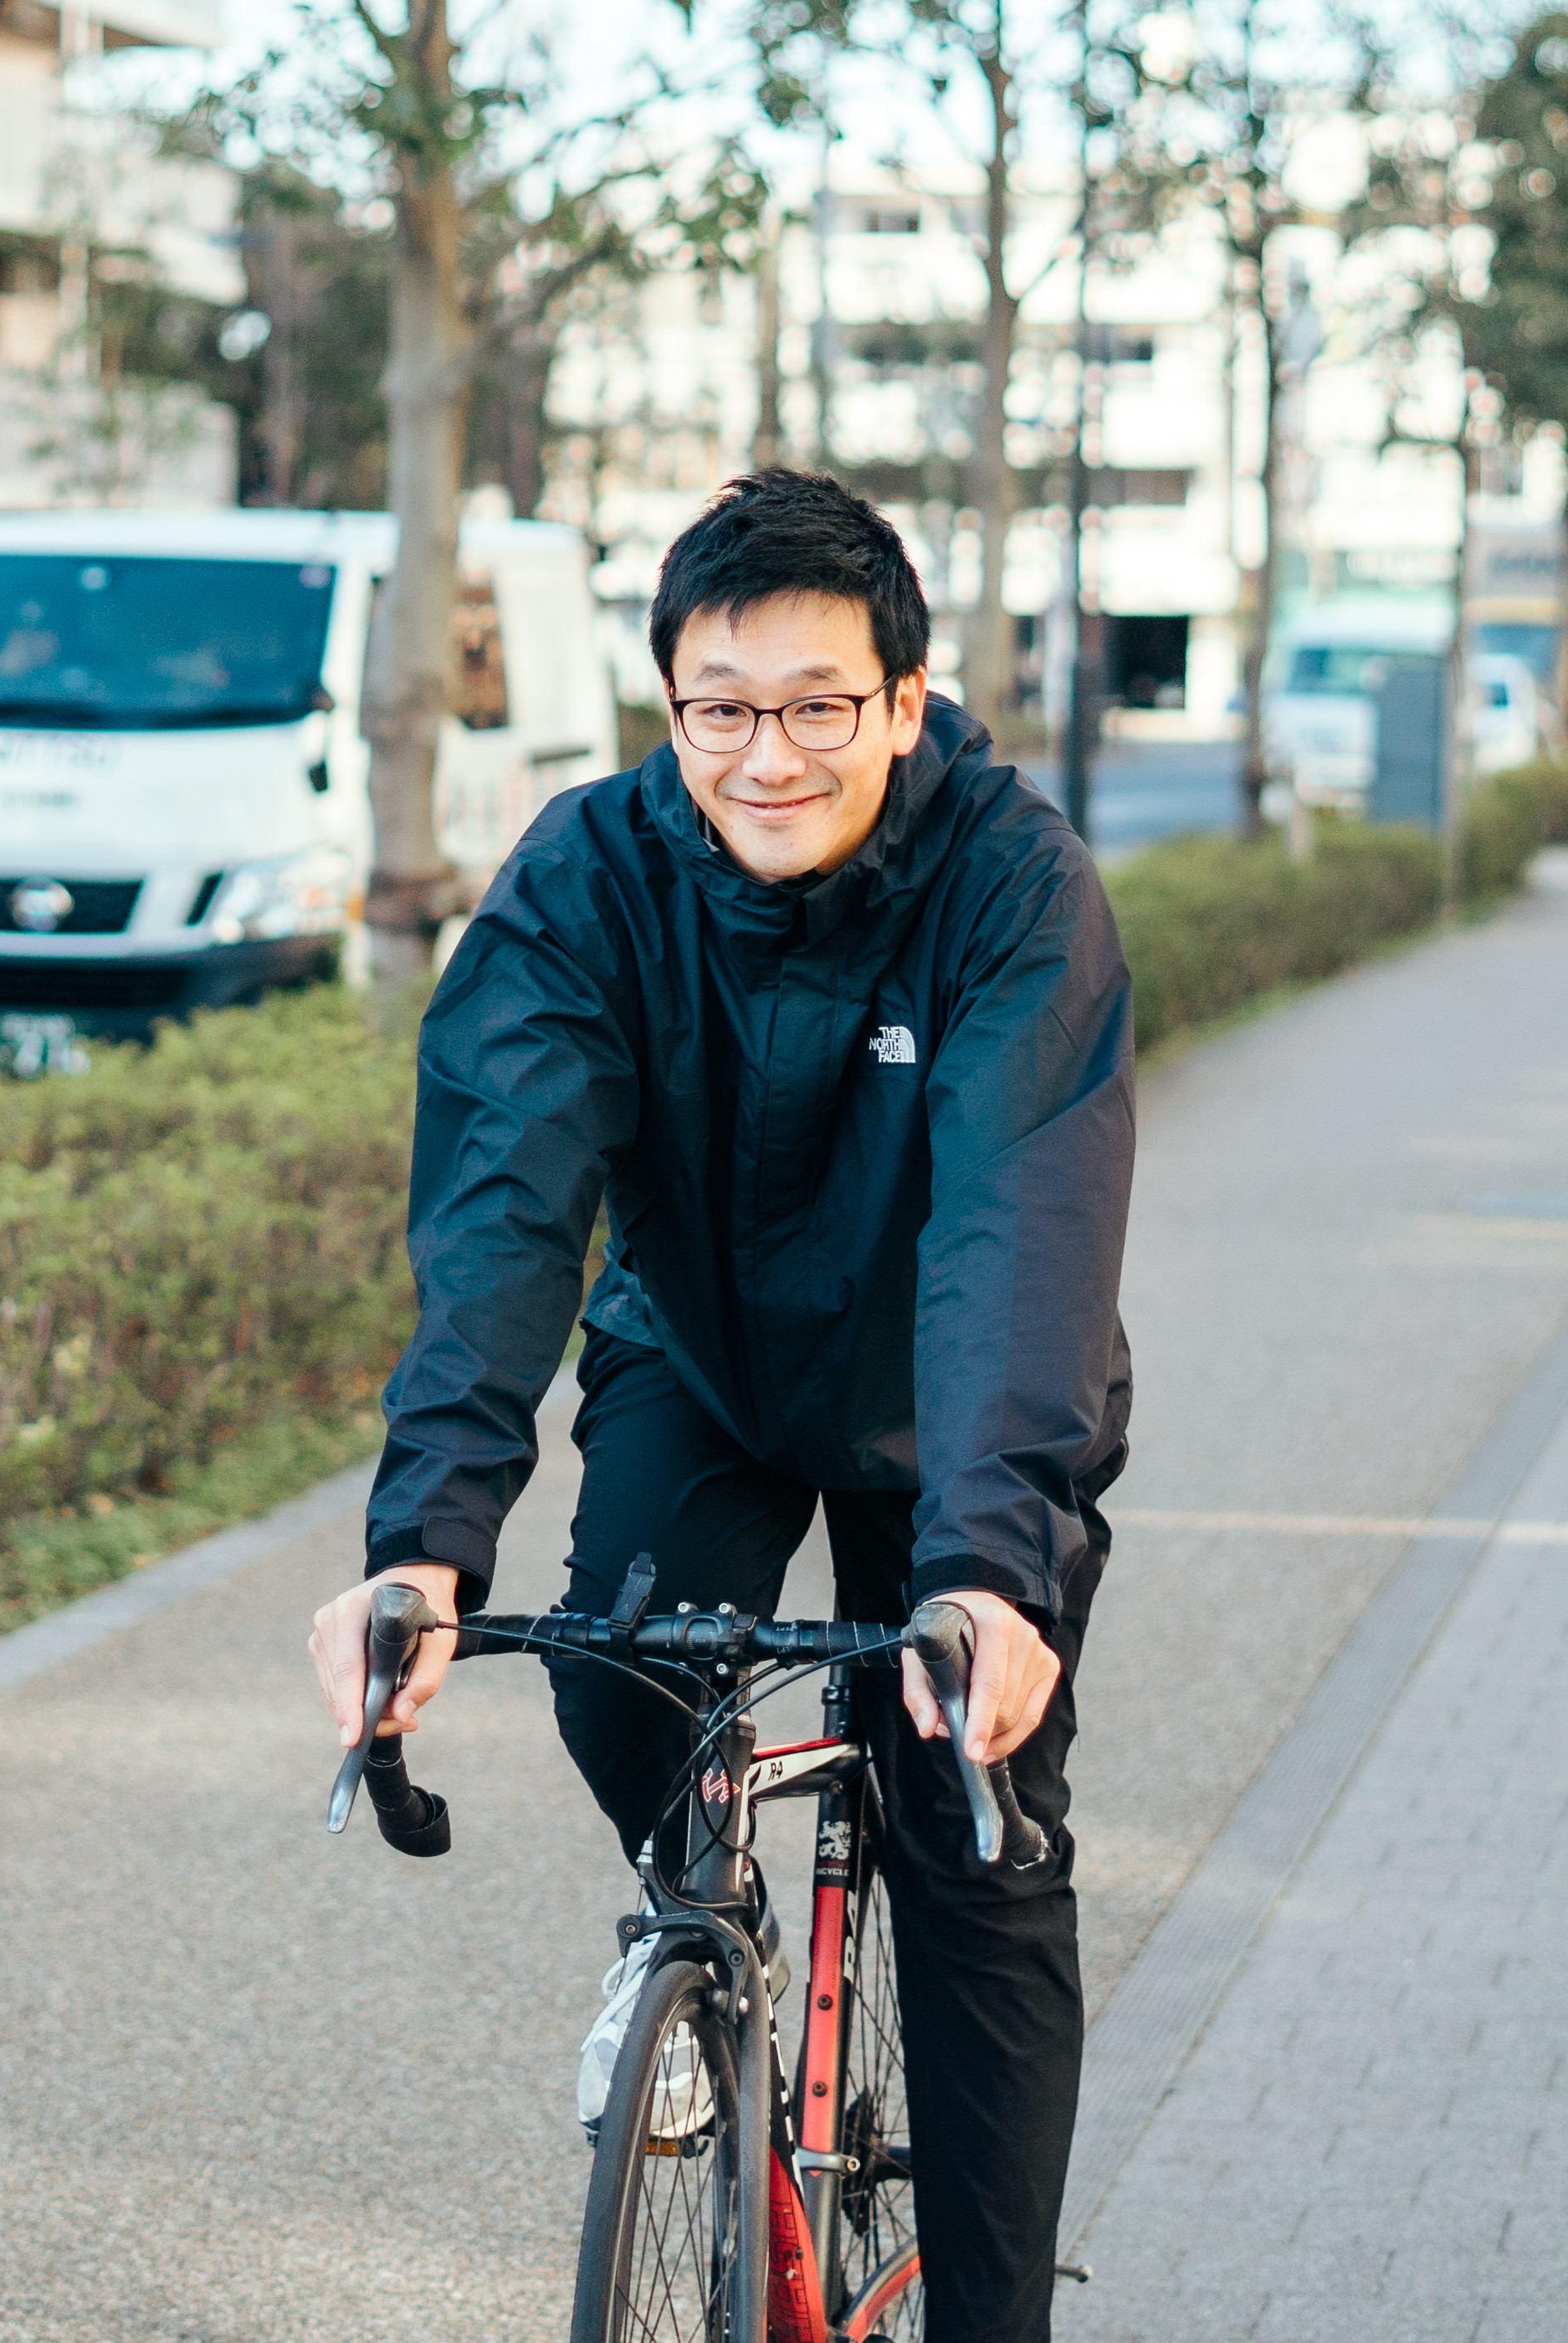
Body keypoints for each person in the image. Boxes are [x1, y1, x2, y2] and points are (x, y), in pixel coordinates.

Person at [305, 469, 1133, 2343]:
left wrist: (990, 1569)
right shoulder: (590, 875)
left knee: (972, 1827)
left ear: (904, 701)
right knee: (617, 1669)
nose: (769, 757)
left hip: (956, 1397)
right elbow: (507, 1208)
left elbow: (1017, 1229)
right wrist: (424, 1546)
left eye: (819, 705)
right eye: (721, 708)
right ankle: (705, 1939)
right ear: (669, 702)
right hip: (700, 1356)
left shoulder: (1015, 884)